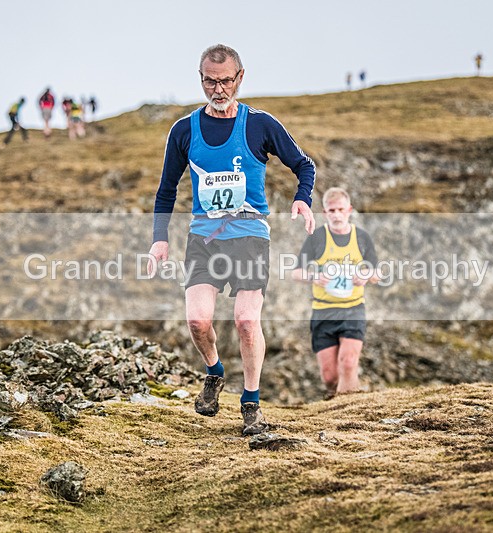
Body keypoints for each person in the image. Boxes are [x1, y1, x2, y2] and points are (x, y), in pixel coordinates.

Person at [147, 44, 316, 435]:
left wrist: (302, 199)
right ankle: (214, 371)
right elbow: (166, 190)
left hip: (250, 236)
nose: (218, 89)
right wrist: (159, 239)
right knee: (197, 320)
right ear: (200, 79)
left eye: (225, 81)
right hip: (204, 238)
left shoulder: (260, 125)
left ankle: (251, 403)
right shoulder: (184, 130)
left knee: (246, 320)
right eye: (210, 81)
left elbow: (304, 165)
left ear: (240, 77)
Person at [292, 188, 379, 399]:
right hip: (323, 311)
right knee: (330, 376)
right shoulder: (317, 238)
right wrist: (314, 277)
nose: (337, 215)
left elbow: (377, 273)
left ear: (349, 210)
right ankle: (337, 402)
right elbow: (295, 272)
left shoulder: (362, 238)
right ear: (325, 213)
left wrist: (366, 275)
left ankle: (350, 408)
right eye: (332, 210)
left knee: (348, 363)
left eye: (341, 209)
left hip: (353, 309)